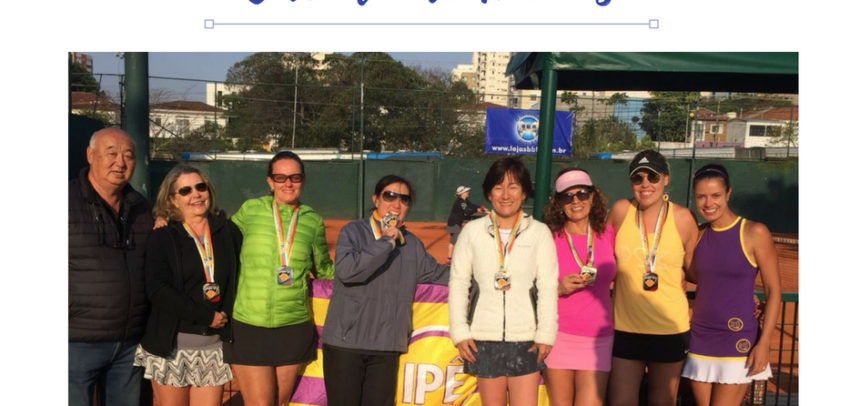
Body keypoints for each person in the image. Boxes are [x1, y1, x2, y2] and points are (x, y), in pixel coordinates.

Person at [321, 175, 450, 406]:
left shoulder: (412, 244)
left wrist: (479, 272)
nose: (396, 204)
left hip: (386, 346)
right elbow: (348, 271)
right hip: (346, 344)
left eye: (404, 199)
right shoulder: (353, 231)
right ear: (376, 199)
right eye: (390, 196)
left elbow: (438, 274)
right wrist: (386, 242)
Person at [222, 151, 334, 406]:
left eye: (295, 177)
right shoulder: (250, 210)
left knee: (281, 403)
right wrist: (169, 218)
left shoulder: (312, 220)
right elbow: (219, 242)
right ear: (270, 182)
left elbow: (324, 268)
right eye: (281, 177)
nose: (288, 183)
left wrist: (367, 274)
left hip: (292, 326)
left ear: (303, 180)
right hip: (249, 323)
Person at [448, 156, 558, 406]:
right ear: (489, 194)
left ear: (524, 192)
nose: (506, 195)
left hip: (526, 339)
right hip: (483, 338)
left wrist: (545, 334)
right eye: (498, 187)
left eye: (513, 186)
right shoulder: (471, 232)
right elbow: (458, 284)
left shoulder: (539, 233)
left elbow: (547, 287)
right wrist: (460, 332)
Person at [133, 165, 242, 405]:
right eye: (185, 190)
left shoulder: (227, 232)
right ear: (172, 199)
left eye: (200, 187)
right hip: (171, 346)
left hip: (212, 347)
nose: (196, 195)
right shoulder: (163, 236)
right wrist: (205, 316)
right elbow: (158, 289)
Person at [681, 164, 782, 406]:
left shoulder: (755, 232)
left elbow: (774, 291)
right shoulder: (697, 235)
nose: (708, 203)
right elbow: (696, 277)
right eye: (701, 197)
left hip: (738, 338)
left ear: (728, 193)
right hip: (700, 337)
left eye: (715, 195)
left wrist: (764, 343)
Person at [69, 128, 153, 406]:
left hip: (129, 344)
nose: (120, 162)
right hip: (75, 342)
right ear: (90, 155)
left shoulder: (142, 208)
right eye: (111, 153)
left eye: (128, 155)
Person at [607, 150, 698, 406]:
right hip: (625, 327)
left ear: (666, 179)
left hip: (670, 328)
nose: (645, 184)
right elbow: (599, 254)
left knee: (662, 401)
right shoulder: (621, 211)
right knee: (621, 402)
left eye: (653, 177)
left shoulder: (683, 218)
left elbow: (697, 271)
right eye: (638, 178)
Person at [542, 168, 616, 406]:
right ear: (558, 202)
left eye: (582, 193)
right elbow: (531, 288)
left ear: (592, 196)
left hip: (598, 339)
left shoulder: (608, 234)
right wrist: (558, 289)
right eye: (567, 196)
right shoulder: (548, 238)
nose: (576, 201)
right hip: (559, 335)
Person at [446, 185, 486, 264]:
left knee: (453, 241)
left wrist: (480, 207)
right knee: (457, 241)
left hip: (454, 223)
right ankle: (453, 259)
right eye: (466, 191)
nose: (467, 192)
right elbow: (467, 211)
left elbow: (471, 205)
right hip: (454, 224)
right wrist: (477, 210)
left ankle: (449, 259)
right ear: (462, 193)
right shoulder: (460, 202)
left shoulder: (464, 200)